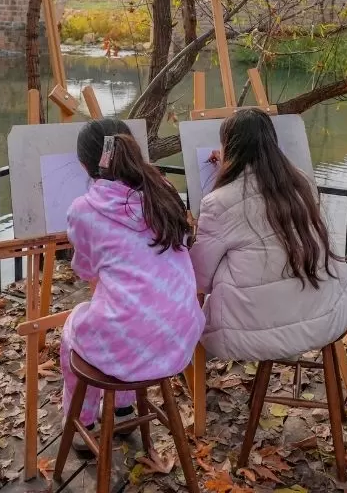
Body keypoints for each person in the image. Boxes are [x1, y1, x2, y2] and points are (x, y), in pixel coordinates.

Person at [60, 119, 204, 449]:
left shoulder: (84, 209)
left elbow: (86, 270)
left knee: (75, 330)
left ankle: (82, 423)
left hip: (138, 341)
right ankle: (123, 410)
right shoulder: (162, 190)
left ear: (84, 165)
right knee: (121, 318)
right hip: (181, 336)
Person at [189, 108, 347, 362]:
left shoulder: (218, 203)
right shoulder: (299, 181)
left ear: (229, 147)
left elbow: (200, 278)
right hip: (325, 311)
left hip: (259, 330)